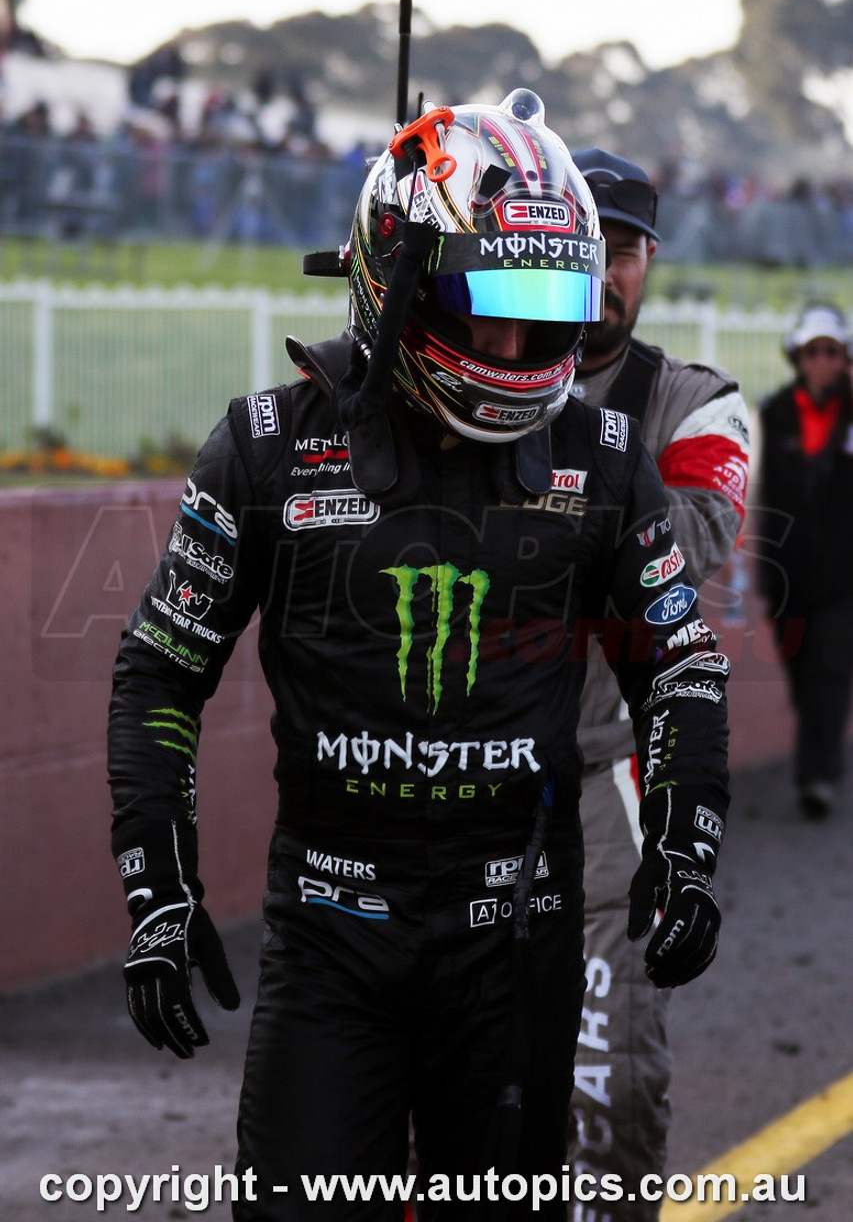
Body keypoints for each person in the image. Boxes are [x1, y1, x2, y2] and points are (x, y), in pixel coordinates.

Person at [108, 92, 730, 1221]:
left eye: (549, 309)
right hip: (328, 940)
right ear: (397, 279)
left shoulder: (602, 455)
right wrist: (158, 886)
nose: (519, 345)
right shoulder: (266, 447)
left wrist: (688, 841)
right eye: (491, 306)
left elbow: (679, 664)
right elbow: (160, 669)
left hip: (515, 942)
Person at [567, 149, 750, 1221]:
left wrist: (541, 458)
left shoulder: (697, 401)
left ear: (648, 261)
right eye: (584, 241)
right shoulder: (458, 380)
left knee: (613, 1080)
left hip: (608, 783)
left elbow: (688, 541)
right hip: (458, 779)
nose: (604, 267)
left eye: (625, 247)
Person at [756, 302, 853, 819]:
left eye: (831, 351)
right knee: (801, 671)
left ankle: (818, 775)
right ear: (798, 357)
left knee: (828, 670)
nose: (822, 361)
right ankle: (820, 750)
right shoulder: (775, 411)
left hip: (843, 574)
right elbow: (766, 493)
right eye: (813, 351)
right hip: (788, 573)